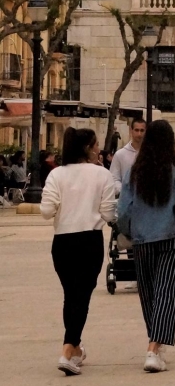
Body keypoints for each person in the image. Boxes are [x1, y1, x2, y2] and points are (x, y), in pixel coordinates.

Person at [118, 120, 175, 372]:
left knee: (149, 293)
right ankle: (154, 348)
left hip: (142, 239)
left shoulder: (135, 170)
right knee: (167, 291)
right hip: (171, 235)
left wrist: (128, 231)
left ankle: (155, 344)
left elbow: (123, 208)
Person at [41, 128, 116, 376]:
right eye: (95, 146)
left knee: (70, 296)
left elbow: (46, 211)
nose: (99, 151)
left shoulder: (56, 175)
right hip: (89, 240)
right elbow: (108, 213)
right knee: (81, 297)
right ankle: (67, 350)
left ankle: (75, 347)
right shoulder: (102, 175)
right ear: (87, 148)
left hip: (62, 241)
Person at [110, 118, 146, 195]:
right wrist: (124, 192)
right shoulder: (120, 154)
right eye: (136, 130)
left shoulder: (151, 154)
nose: (139, 134)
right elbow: (114, 178)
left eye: (142, 130)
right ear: (131, 130)